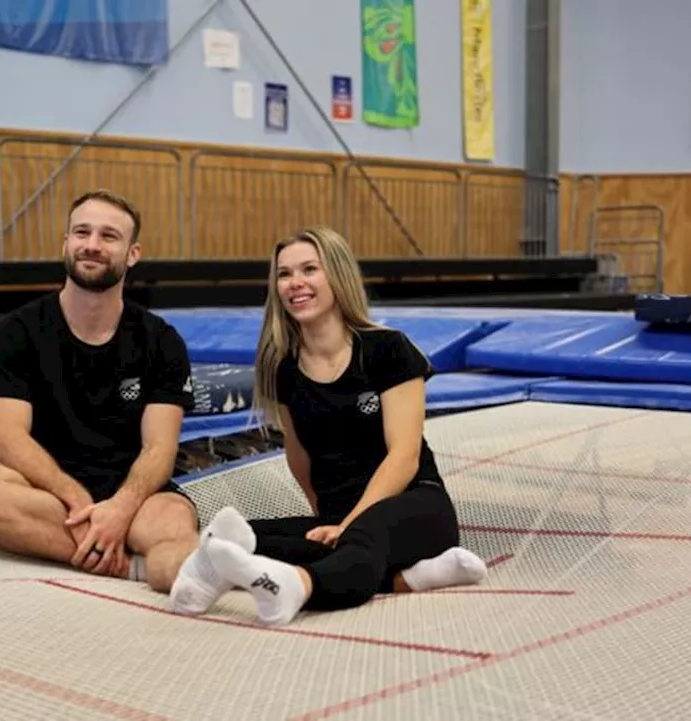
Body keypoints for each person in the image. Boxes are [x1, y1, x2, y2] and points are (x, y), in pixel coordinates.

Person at [168, 226, 487, 626]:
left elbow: (404, 457)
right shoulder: (284, 370)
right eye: (284, 274)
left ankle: (297, 586)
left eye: (309, 270)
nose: (295, 283)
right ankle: (406, 578)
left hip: (414, 504)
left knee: (361, 540)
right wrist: (329, 520)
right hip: (339, 515)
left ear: (336, 275)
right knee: (243, 536)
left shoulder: (387, 349)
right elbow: (300, 459)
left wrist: (349, 524)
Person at [0, 188, 201, 594]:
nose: (92, 246)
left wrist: (119, 509)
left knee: (174, 529)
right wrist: (81, 504)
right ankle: (124, 566)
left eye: (109, 236)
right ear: (66, 243)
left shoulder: (161, 341)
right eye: (82, 233)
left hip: (134, 496)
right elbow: (9, 439)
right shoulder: (19, 331)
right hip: (48, 493)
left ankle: (223, 572)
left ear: (132, 254)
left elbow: (159, 450)